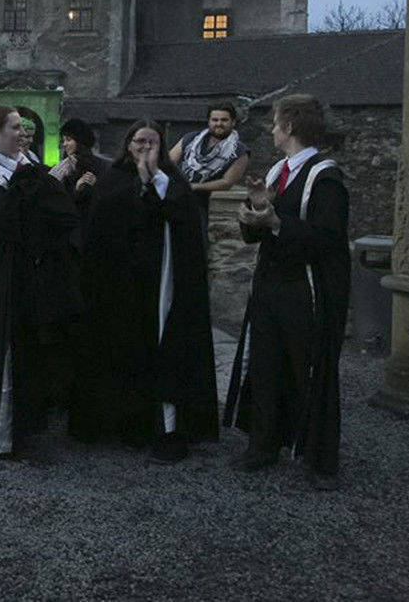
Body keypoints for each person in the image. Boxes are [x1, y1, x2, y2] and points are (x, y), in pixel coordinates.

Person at [68, 120, 219, 463]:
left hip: (160, 288)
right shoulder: (114, 178)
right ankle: (120, 422)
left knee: (158, 352)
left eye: (152, 142)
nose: (145, 148)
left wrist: (154, 185)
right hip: (119, 287)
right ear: (128, 143)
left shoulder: (174, 181)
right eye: (140, 141)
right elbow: (101, 226)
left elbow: (183, 223)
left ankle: (160, 425)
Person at [226, 94, 349, 490]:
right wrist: (253, 215)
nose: (271, 130)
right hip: (269, 287)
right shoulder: (279, 171)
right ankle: (263, 444)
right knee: (265, 366)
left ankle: (319, 460)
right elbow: (261, 231)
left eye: (276, 123)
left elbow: (328, 240)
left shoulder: (325, 178)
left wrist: (276, 221)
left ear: (290, 126)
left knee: (306, 369)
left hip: (303, 291)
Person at [0, 106, 82, 458]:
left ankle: (20, 428)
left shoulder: (15, 168)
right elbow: (17, 220)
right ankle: (0, 438)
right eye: (14, 127)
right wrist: (49, 183)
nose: (22, 133)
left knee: (22, 350)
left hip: (13, 275)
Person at [167, 101, 250, 239]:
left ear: (233, 122)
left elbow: (227, 182)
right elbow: (168, 163)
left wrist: (194, 186)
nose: (219, 124)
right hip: (177, 197)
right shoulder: (191, 139)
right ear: (209, 121)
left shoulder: (239, 152)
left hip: (202, 204)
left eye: (224, 120)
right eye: (215, 120)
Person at [47, 118, 110, 220]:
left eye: (69, 140)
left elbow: (105, 199)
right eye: (63, 140)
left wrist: (95, 185)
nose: (64, 144)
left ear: (80, 141)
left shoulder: (100, 166)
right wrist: (76, 189)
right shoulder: (62, 168)